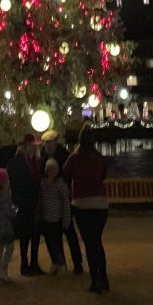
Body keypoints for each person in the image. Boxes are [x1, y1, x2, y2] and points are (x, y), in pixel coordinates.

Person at [62, 124, 109, 293]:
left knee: (89, 243)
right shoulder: (99, 157)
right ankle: (103, 277)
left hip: (82, 203)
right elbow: (104, 175)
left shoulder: (75, 158)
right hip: (100, 204)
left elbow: (65, 173)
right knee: (97, 241)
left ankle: (95, 280)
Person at [41, 129, 84, 273]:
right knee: (55, 235)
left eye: (50, 142)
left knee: (69, 232)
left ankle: (76, 263)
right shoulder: (44, 155)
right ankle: (60, 262)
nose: (48, 145)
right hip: (52, 200)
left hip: (63, 196)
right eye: (47, 143)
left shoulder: (63, 155)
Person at [7, 132, 43, 275]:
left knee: (35, 234)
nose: (34, 148)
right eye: (32, 146)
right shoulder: (17, 162)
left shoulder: (34, 161)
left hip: (34, 202)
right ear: (25, 146)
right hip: (24, 203)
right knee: (25, 234)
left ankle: (34, 262)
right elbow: (15, 183)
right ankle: (25, 263)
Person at [37, 157, 71, 274]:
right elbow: (41, 200)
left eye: (54, 170)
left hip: (57, 219)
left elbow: (66, 203)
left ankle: (61, 263)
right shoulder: (44, 183)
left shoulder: (60, 184)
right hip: (46, 218)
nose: (51, 172)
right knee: (49, 242)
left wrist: (66, 220)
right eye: (49, 170)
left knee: (57, 242)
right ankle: (55, 262)